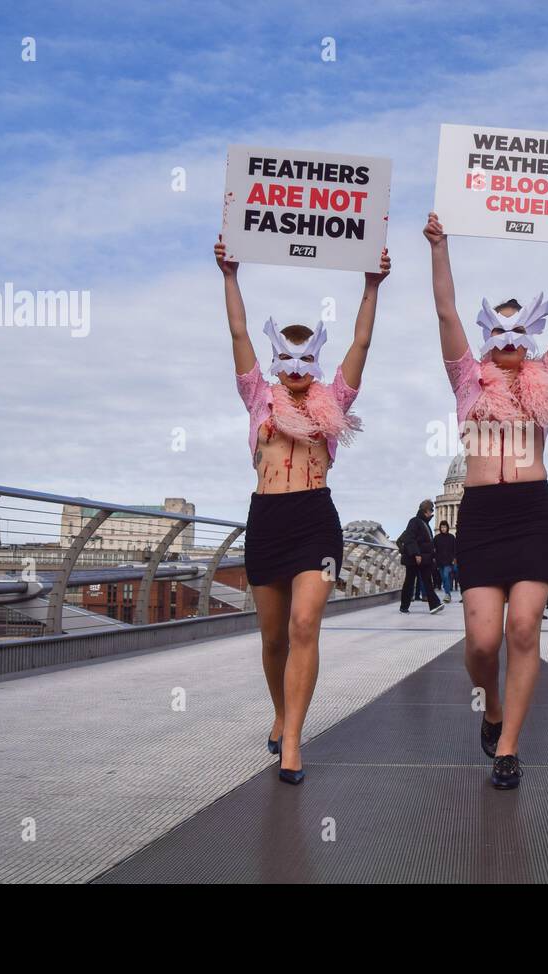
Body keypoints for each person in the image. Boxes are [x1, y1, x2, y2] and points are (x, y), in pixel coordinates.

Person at [424, 210, 548, 789]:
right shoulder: (467, 382)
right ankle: (491, 710)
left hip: (533, 512)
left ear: (527, 342)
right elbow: (445, 311)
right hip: (482, 518)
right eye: (498, 332)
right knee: (482, 645)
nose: (508, 343)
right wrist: (440, 245)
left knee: (524, 629)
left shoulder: (544, 382)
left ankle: (509, 748)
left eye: (518, 332)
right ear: (488, 342)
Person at [216, 235, 388, 785]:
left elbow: (362, 343)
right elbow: (239, 332)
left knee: (305, 623)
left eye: (305, 358)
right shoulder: (258, 399)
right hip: (266, 521)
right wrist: (229, 275)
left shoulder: (332, 402)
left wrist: (371, 285)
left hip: (316, 520)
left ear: (315, 362)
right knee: (273, 638)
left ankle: (293, 737)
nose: (294, 368)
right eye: (285, 359)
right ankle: (281, 711)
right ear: (276, 363)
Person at [399, 500, 445, 614]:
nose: (432, 513)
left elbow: (427, 543)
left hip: (424, 559)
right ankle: (404, 606)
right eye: (431, 510)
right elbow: (410, 539)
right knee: (409, 582)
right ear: (426, 511)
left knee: (427, 581)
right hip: (415, 558)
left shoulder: (424, 523)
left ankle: (434, 605)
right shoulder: (415, 522)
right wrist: (416, 554)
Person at [435, 519, 459, 603]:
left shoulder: (451, 537)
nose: (443, 528)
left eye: (444, 527)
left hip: (448, 562)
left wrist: (454, 559)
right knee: (444, 578)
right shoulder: (437, 538)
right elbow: (434, 550)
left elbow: (455, 549)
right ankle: (448, 593)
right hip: (440, 561)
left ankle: (447, 594)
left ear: (447, 527)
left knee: (445, 576)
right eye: (441, 527)